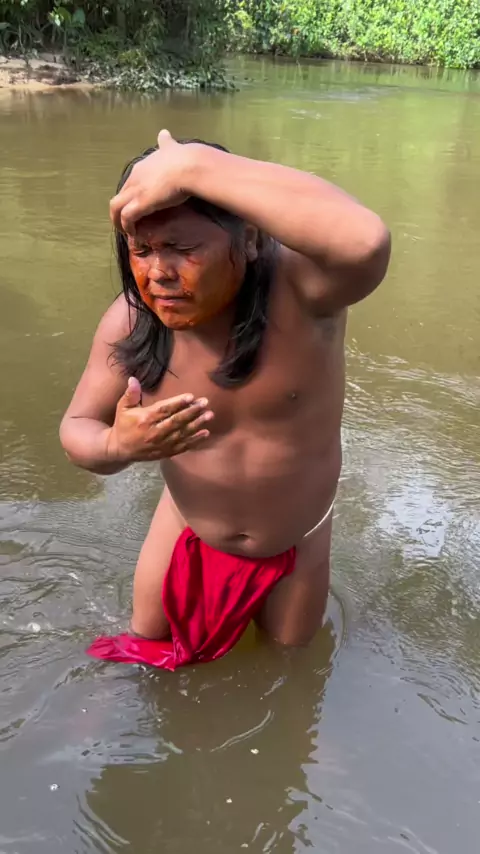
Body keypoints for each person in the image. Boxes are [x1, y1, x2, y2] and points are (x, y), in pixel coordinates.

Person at [60, 130, 390, 669]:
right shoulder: (132, 319)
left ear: (252, 239)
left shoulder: (306, 293)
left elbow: (366, 241)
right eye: (141, 250)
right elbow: (76, 428)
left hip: (298, 544)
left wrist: (194, 167)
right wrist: (117, 446)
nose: (159, 272)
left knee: (289, 673)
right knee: (143, 663)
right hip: (184, 531)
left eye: (183, 249)